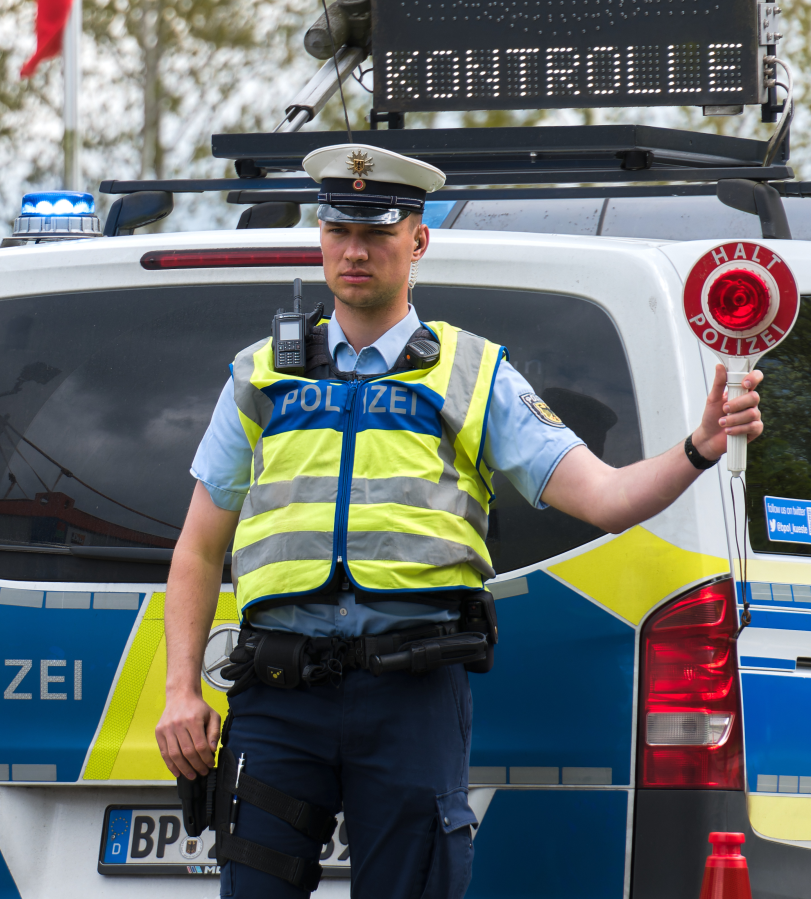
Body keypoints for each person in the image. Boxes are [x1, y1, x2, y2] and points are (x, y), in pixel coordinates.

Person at [152, 145, 765, 899]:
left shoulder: (473, 375)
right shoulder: (259, 375)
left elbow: (606, 497)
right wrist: (182, 689)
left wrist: (699, 449)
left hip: (410, 697)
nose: (353, 250)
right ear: (320, 236)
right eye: (339, 228)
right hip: (279, 696)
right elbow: (199, 547)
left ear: (417, 240)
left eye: (377, 231)